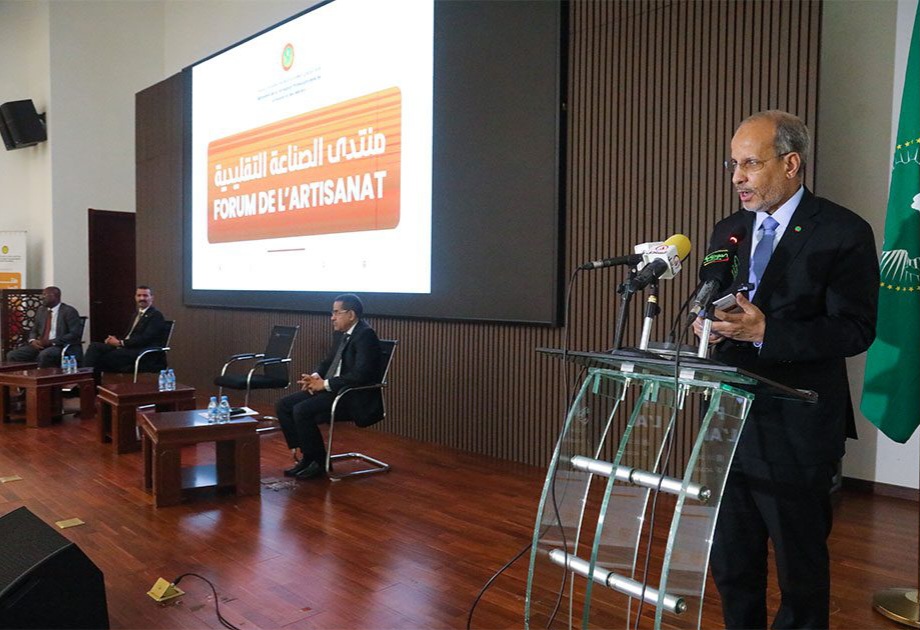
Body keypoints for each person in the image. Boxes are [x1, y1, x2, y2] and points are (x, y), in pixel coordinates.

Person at [693, 110, 879, 629]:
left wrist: (766, 332)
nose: (737, 177)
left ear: (791, 163)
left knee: (800, 569)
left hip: (798, 426)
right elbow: (712, 295)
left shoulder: (843, 231)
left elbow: (855, 330)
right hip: (726, 419)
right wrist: (707, 323)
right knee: (731, 560)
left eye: (750, 164)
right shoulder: (728, 229)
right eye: (733, 164)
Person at [275, 293, 383, 480]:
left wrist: (324, 384)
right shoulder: (340, 334)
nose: (332, 317)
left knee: (301, 410)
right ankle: (307, 456)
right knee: (283, 405)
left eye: (336, 312)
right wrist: (315, 377)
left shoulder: (366, 335)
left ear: (351, 315)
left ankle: (318, 462)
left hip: (351, 396)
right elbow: (327, 362)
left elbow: (361, 375)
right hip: (333, 389)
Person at [83, 285, 168, 385]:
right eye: (139, 295)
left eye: (145, 296)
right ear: (135, 297)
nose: (142, 298)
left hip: (141, 351)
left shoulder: (156, 316)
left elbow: (145, 339)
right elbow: (129, 335)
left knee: (102, 359)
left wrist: (120, 343)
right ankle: (83, 380)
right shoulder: (136, 314)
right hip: (127, 347)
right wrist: (114, 340)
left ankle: (88, 386)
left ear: (152, 298)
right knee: (94, 347)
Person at [6, 286, 83, 367]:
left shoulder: (69, 311)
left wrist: (51, 341)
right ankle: (23, 375)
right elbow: (34, 330)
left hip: (59, 345)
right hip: (40, 345)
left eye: (45, 295)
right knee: (13, 355)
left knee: (45, 355)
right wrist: (33, 340)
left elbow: (74, 334)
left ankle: (42, 375)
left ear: (55, 296)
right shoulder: (41, 310)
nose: (42, 297)